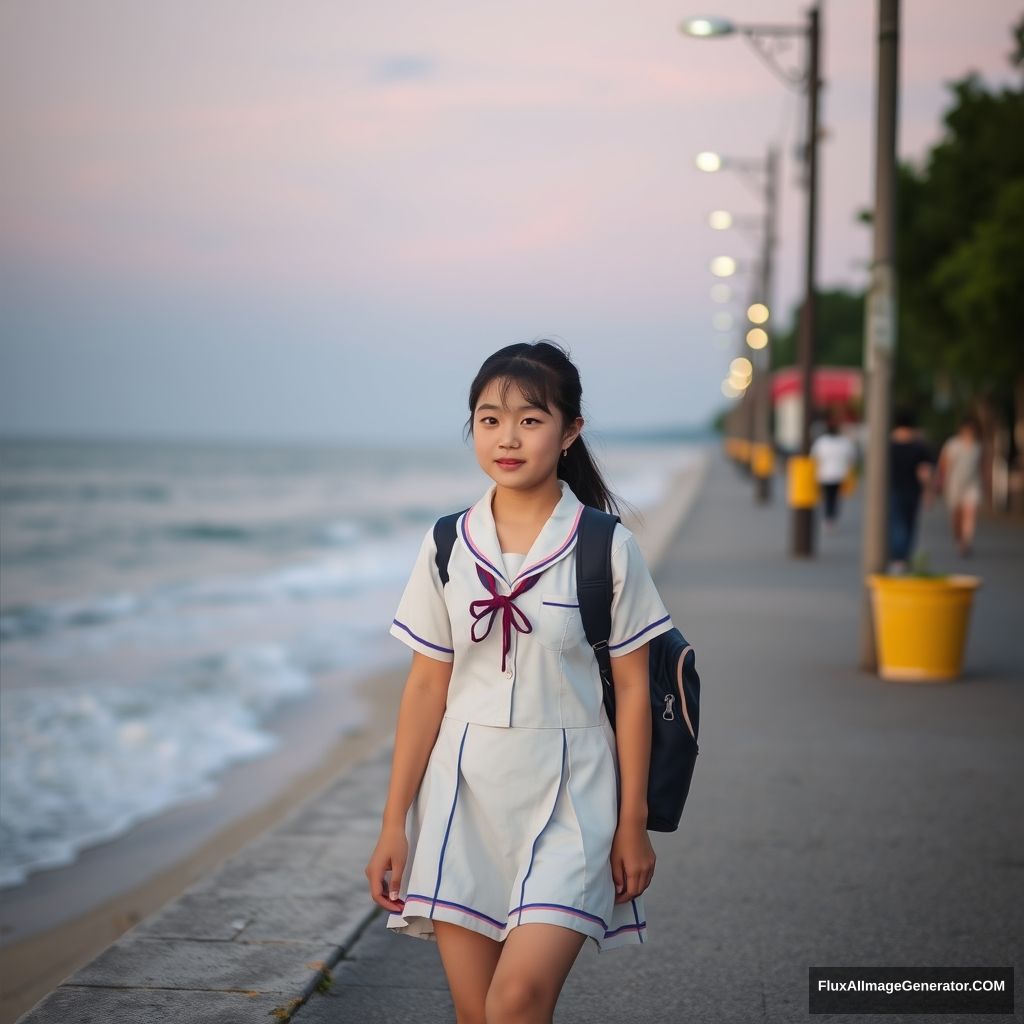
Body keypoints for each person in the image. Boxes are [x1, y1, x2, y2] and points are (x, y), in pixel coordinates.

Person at [365, 340, 675, 1024]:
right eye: (489, 418)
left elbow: (631, 693)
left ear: (570, 433)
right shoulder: (448, 544)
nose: (508, 438)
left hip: (575, 796)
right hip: (462, 799)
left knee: (516, 1003)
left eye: (531, 420)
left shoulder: (605, 546)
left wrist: (633, 823)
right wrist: (394, 823)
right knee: (477, 1016)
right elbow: (424, 689)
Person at [888, 405, 935, 573]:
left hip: (892, 489)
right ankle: (904, 556)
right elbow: (925, 472)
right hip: (913, 490)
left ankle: (897, 558)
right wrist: (929, 492)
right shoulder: (919, 446)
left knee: (895, 523)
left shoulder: (888, 444)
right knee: (909, 523)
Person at [936, 414, 983, 557]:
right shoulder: (953, 444)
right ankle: (958, 538)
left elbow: (982, 466)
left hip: (972, 484)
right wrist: (941, 481)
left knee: (970, 513)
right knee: (956, 515)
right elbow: (944, 464)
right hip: (954, 484)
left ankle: (966, 542)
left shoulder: (978, 447)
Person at [810, 415, 858, 531]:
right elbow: (852, 458)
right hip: (839, 475)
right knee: (835, 498)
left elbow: (813, 457)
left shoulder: (821, 442)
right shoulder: (844, 442)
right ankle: (833, 518)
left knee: (827, 497)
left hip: (824, 475)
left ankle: (827, 518)